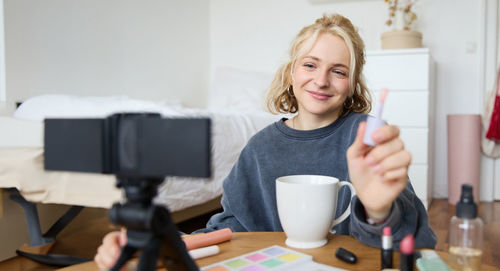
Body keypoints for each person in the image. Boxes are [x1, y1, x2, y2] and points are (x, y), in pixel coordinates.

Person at [94, 13, 436, 269]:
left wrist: (379, 211)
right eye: (310, 65)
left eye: (338, 71)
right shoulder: (259, 148)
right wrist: (152, 244)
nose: (321, 80)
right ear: (292, 74)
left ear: (351, 84)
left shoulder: (366, 136)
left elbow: (416, 239)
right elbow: (230, 229)